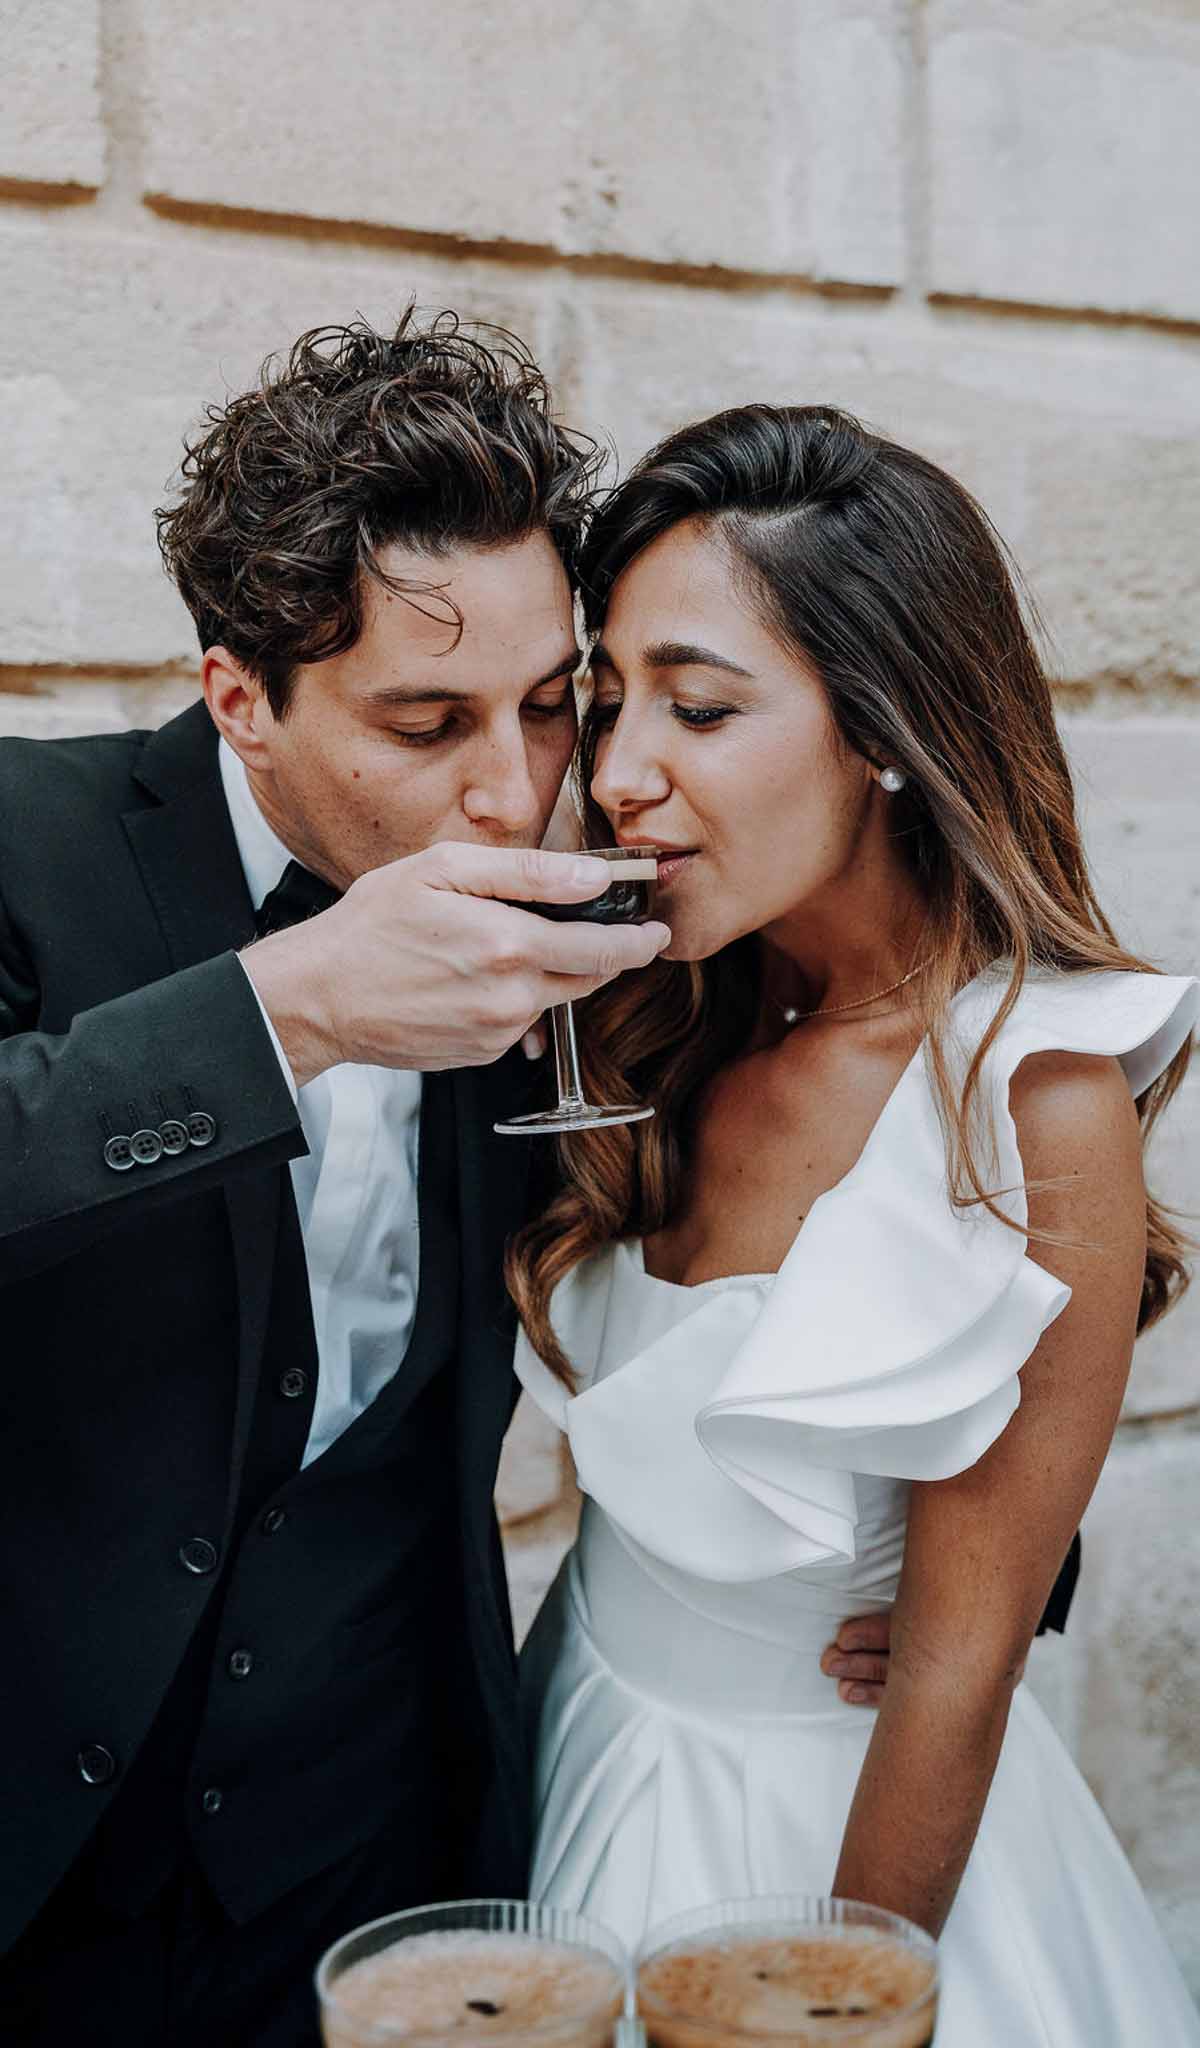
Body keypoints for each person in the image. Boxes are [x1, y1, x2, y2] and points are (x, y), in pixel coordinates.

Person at [0, 310, 675, 2048]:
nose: (511, 789)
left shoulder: (561, 907)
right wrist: (277, 1011)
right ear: (239, 694)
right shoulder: (24, 842)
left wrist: (918, 1566)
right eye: (425, 720)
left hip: (384, 1859)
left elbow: (788, 1183)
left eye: (544, 706)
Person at [508, 405, 1200, 2043]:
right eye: (608, 703)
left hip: (821, 1849)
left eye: (698, 706)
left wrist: (834, 2000)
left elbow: (953, 1686)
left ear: (886, 730)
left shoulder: (1028, 1102)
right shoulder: (657, 1024)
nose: (615, 777)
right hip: (573, 1753)